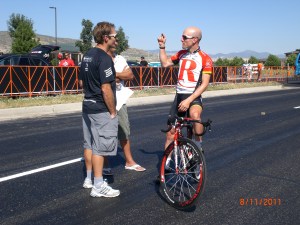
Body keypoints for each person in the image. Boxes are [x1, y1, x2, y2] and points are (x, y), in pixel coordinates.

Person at [79, 21, 120, 198]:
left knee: (89, 144)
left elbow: (81, 82)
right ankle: (98, 185)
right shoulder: (105, 58)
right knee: (100, 148)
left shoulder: (87, 55)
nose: (116, 39)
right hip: (101, 109)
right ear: (105, 38)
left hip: (87, 106)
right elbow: (106, 88)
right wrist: (112, 111)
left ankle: (89, 179)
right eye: (114, 36)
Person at [157, 26, 213, 150]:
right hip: (179, 96)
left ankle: (198, 146)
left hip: (193, 96)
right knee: (170, 133)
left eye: (184, 37)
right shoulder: (181, 54)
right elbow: (165, 63)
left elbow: (204, 84)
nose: (181, 40)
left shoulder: (205, 58)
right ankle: (167, 164)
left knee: (195, 116)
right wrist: (162, 47)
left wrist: (188, 100)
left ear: (195, 40)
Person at [103, 44, 146, 174]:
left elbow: (130, 75)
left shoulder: (120, 59)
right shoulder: (101, 58)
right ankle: (104, 164)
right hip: (104, 99)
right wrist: (118, 76)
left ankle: (129, 161)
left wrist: (114, 75)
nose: (116, 43)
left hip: (119, 100)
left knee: (124, 131)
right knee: (104, 133)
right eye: (113, 40)